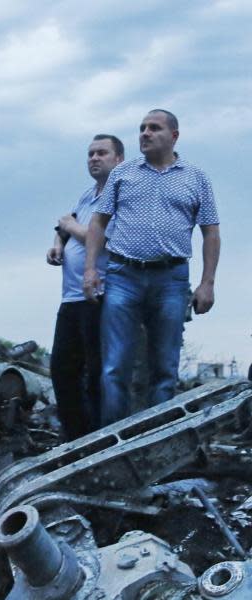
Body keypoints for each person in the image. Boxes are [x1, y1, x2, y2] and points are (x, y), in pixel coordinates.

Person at [83, 109, 220, 426]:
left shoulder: (196, 178)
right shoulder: (123, 174)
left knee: (165, 367)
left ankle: (155, 440)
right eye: (142, 128)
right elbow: (98, 222)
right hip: (123, 276)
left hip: (171, 279)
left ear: (173, 136)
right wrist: (91, 270)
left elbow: (210, 232)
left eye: (154, 128)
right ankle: (111, 444)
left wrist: (207, 283)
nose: (145, 133)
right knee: (115, 366)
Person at [47, 134, 124, 440]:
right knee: (61, 369)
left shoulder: (120, 196)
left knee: (96, 372)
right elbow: (66, 223)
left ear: (118, 159)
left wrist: (68, 227)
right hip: (70, 297)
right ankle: (74, 437)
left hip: (99, 296)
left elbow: (102, 241)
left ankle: (97, 438)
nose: (94, 158)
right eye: (90, 154)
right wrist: (57, 243)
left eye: (101, 153)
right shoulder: (87, 196)